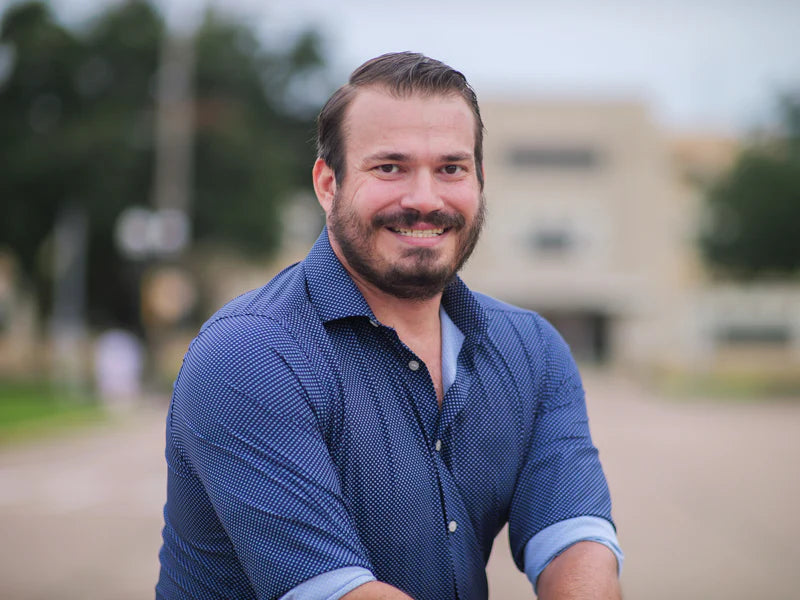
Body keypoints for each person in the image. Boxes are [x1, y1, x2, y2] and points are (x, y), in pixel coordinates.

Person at [156, 52, 623, 600]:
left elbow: (576, 542)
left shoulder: (533, 350)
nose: (425, 200)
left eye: (451, 168)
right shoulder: (250, 354)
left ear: (478, 182)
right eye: (390, 167)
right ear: (328, 184)